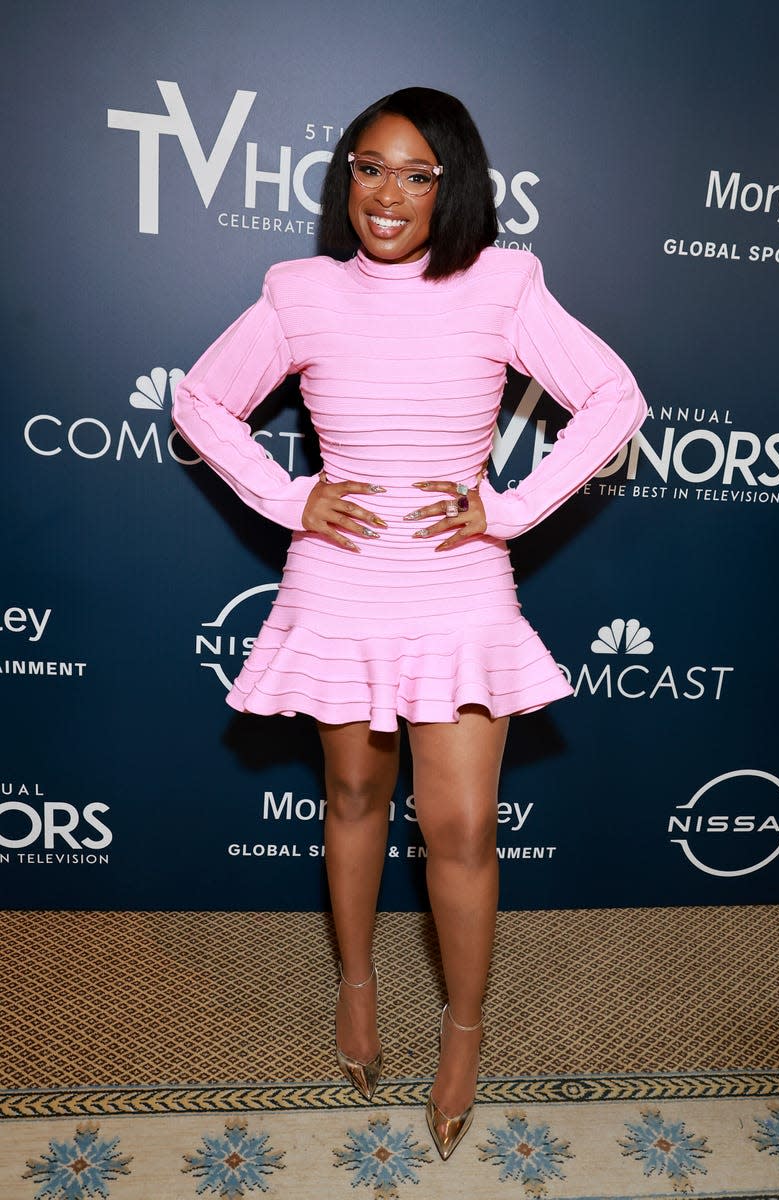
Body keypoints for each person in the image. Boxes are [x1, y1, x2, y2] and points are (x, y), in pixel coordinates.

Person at [172, 86, 646, 1160]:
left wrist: (511, 507)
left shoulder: (503, 281)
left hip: (454, 581)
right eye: (368, 167)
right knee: (349, 795)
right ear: (346, 179)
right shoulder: (297, 290)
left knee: (462, 828)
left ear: (453, 185)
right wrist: (292, 498)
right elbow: (200, 401)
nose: (386, 192)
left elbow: (612, 397)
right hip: (340, 581)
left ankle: (464, 1030)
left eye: (416, 173)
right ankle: (353, 984)